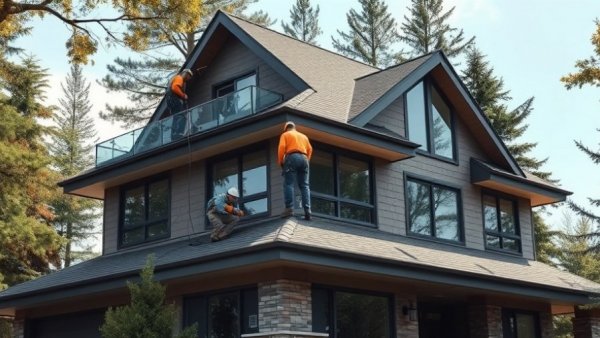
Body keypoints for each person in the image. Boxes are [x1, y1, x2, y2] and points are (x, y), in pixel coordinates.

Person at [277, 121, 313, 220]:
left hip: (292, 157)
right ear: (294, 128)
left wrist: (281, 162)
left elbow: (281, 148)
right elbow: (310, 149)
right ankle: (307, 210)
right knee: (305, 185)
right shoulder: (304, 136)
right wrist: (307, 160)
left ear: (286, 128)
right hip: (305, 158)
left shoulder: (285, 135)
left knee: (289, 184)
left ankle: (289, 209)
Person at [166, 69, 193, 139]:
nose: (189, 79)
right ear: (186, 74)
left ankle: (174, 134)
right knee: (181, 116)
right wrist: (183, 95)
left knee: (176, 116)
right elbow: (175, 87)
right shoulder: (179, 78)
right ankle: (178, 133)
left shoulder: (175, 78)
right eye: (189, 76)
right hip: (174, 99)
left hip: (170, 100)